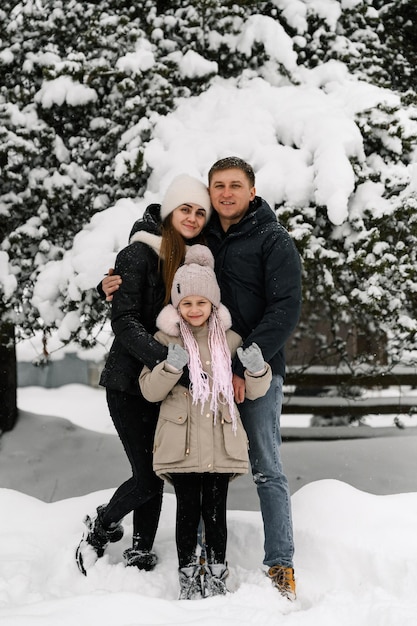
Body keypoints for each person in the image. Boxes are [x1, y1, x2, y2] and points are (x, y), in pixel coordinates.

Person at [102, 157, 302, 601]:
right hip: (196, 371)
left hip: (251, 369)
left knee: (266, 467)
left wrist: (243, 363)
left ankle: (280, 563)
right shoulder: (203, 234)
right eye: (218, 186)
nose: (225, 193)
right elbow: (158, 231)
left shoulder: (273, 240)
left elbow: (285, 308)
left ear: (252, 191)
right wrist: (113, 280)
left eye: (235, 185)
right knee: (191, 465)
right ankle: (191, 557)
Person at [75, 174, 211, 576]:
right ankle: (99, 528)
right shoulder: (139, 254)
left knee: (156, 468)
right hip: (128, 384)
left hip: (163, 386)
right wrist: (169, 362)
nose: (193, 217)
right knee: (149, 477)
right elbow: (125, 321)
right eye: (185, 208)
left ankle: (140, 549)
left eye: (200, 212)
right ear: (170, 210)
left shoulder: (191, 258)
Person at [139, 245, 272, 599]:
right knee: (186, 511)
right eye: (187, 303)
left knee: (215, 512)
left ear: (213, 304)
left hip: (218, 440)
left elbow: (253, 390)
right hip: (180, 441)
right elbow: (150, 391)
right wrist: (170, 366)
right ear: (176, 306)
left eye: (201, 302)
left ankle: (215, 574)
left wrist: (257, 369)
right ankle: (187, 575)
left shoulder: (229, 342)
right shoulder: (164, 340)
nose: (194, 309)